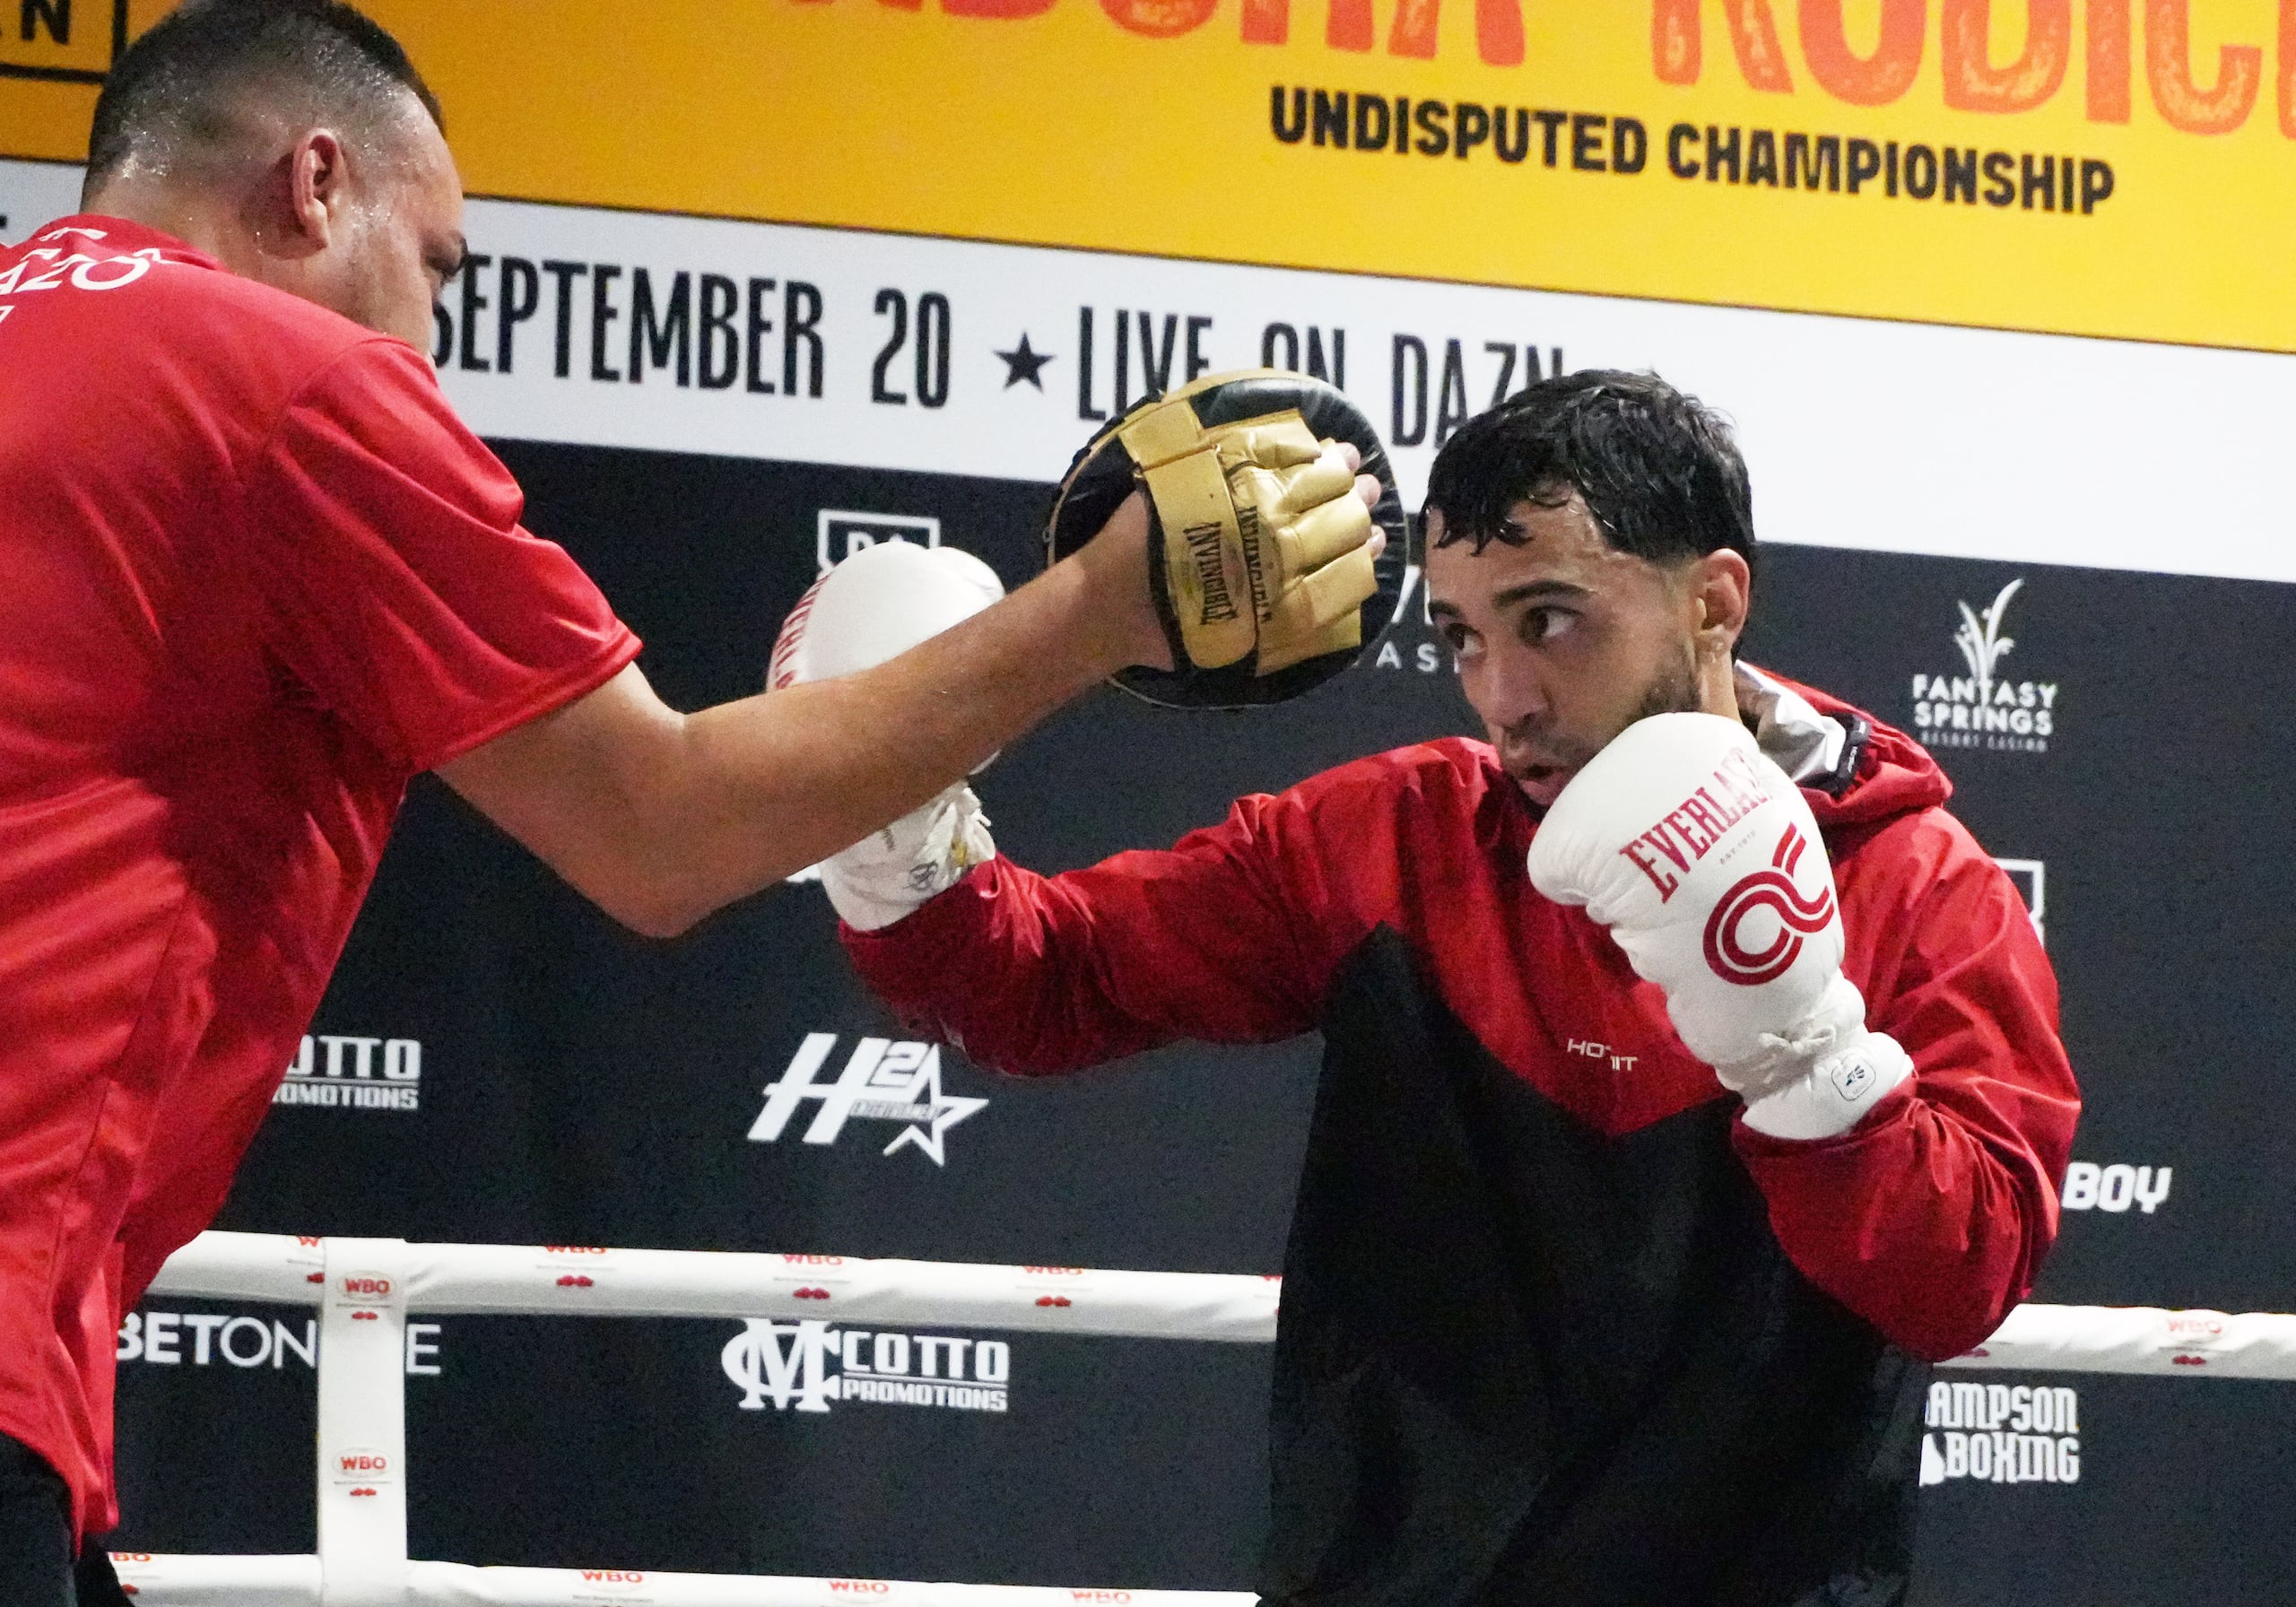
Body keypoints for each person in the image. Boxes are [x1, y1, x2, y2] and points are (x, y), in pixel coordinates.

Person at [0, 0, 1380, 1594]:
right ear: (316, 184)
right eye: (438, 264)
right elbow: (656, 832)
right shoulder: (284, 383)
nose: (433, 344)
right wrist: (1104, 607)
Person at [834, 371, 2082, 1606]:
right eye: (1463, 638)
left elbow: (1964, 1279)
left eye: (1550, 620)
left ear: (1713, 603)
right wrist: (882, 822)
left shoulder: (1918, 886)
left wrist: (1801, 1052)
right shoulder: (1398, 838)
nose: (1506, 696)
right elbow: (1042, 983)